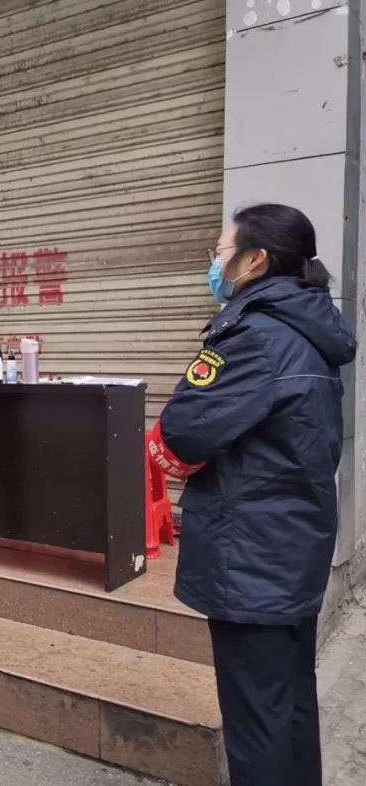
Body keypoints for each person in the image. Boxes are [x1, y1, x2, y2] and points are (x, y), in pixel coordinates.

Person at [147, 204, 356, 786]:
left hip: (251, 557)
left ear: (255, 259)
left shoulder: (253, 336)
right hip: (294, 546)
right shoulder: (311, 332)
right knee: (291, 702)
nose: (215, 265)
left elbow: (185, 428)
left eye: (220, 252)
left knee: (255, 719)